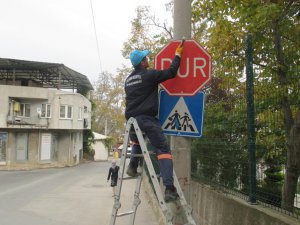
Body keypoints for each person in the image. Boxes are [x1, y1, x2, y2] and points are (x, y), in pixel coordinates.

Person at [124, 41, 184, 203]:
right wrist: (178, 55)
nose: (148, 59)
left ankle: (132, 165)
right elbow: (171, 72)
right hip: (146, 119)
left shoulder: (128, 80)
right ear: (142, 62)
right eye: (146, 58)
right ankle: (169, 188)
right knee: (163, 149)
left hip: (131, 121)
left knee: (137, 138)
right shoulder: (148, 75)